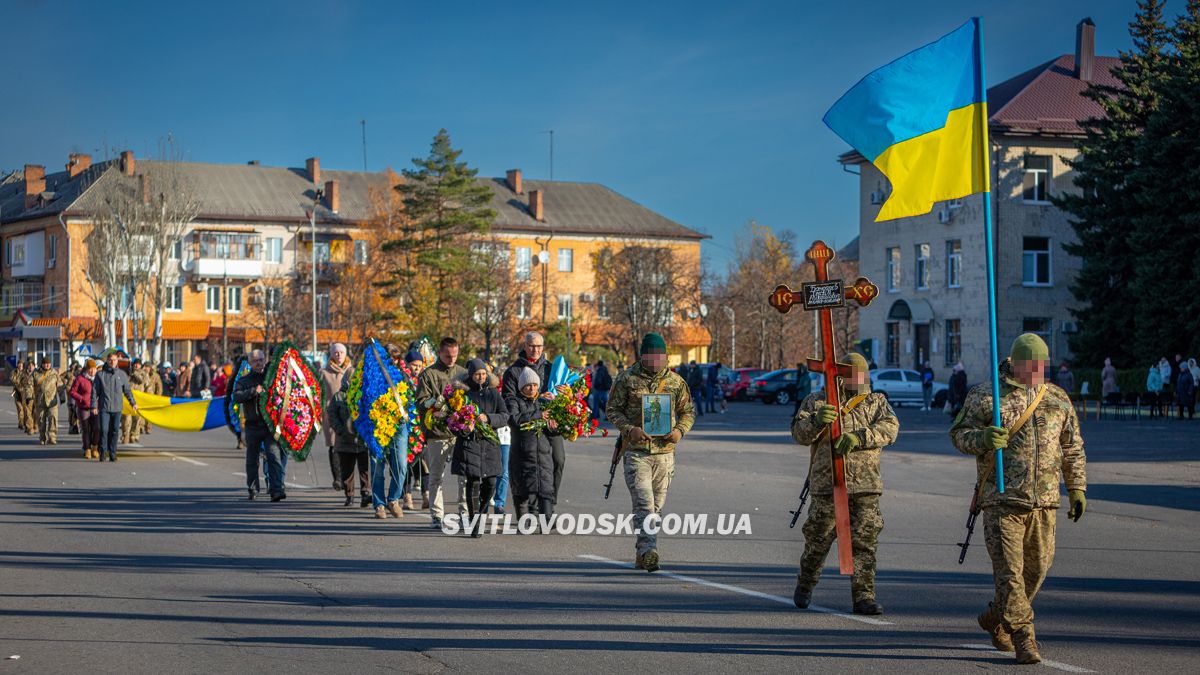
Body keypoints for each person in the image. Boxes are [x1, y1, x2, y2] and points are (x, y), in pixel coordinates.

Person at [950, 333, 1087, 665]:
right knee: (1010, 574)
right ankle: (1025, 638)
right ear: (1017, 363)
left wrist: (1077, 487)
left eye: (1043, 365)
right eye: (1033, 365)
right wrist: (982, 438)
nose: (1039, 371)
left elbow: (1072, 446)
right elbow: (958, 434)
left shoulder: (1056, 398)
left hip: (1045, 502)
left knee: (1036, 571)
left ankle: (996, 616)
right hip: (1001, 500)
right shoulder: (988, 396)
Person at [790, 352, 898, 616]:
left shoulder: (875, 402)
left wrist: (859, 437)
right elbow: (799, 433)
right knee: (818, 540)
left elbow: (891, 428)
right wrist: (817, 421)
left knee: (864, 542)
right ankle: (805, 583)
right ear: (840, 375)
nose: (859, 379)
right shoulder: (818, 401)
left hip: (865, 487)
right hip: (828, 484)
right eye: (853, 374)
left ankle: (864, 596)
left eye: (862, 374)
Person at [606, 332, 696, 572]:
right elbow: (612, 410)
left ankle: (641, 551)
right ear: (643, 355)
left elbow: (688, 411)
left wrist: (679, 431)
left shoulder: (676, 383)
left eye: (660, 356)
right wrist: (630, 429)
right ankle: (649, 552)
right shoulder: (626, 379)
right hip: (637, 453)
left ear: (666, 357)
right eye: (651, 355)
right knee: (644, 504)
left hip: (665, 454)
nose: (656, 360)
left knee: (656, 507)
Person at [501, 332, 566, 507]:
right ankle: (533, 506)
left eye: (538, 346)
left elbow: (563, 397)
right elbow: (508, 400)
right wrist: (537, 399)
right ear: (525, 346)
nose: (535, 349)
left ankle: (549, 503)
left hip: (551, 425)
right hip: (527, 427)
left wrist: (565, 393)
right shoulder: (513, 371)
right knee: (528, 467)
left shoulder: (551, 369)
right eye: (531, 346)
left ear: (543, 347)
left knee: (558, 460)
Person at [452, 359, 511, 537]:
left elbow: (505, 416)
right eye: (478, 374)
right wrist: (464, 427)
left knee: (491, 482)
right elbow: (451, 419)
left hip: (490, 444)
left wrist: (489, 418)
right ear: (470, 375)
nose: (481, 377)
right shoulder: (461, 394)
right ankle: (474, 520)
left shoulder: (493, 393)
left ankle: (482, 513)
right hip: (469, 443)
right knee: (473, 481)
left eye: (484, 374)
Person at [416, 337, 467, 529]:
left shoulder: (463, 373)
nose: (452, 359)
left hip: (459, 433)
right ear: (440, 353)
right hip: (437, 433)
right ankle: (437, 515)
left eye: (454, 355)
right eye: (448, 356)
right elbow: (421, 401)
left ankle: (465, 512)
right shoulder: (428, 374)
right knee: (436, 476)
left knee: (464, 475)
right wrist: (438, 405)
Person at [233, 349, 286, 501]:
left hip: (269, 425)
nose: (259, 363)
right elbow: (236, 397)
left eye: (261, 360)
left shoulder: (271, 378)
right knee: (252, 459)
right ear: (249, 363)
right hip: (252, 425)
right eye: (255, 360)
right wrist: (252, 391)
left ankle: (276, 489)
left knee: (273, 456)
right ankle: (253, 488)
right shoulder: (244, 380)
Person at [508, 366, 557, 523]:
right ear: (521, 387)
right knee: (521, 489)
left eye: (535, 385)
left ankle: (547, 520)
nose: (532, 388)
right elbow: (514, 420)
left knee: (545, 488)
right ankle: (524, 521)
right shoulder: (513, 401)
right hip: (522, 452)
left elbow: (551, 431)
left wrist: (553, 427)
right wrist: (538, 415)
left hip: (543, 453)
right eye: (528, 385)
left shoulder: (543, 402)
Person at [328, 377, 370, 508]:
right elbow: (332, 415)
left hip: (361, 440)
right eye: (349, 379)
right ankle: (349, 495)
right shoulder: (338, 397)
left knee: (364, 470)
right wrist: (340, 430)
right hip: (345, 441)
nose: (352, 382)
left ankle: (365, 494)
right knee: (347, 471)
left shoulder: (363, 394)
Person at [320, 343, 353, 491]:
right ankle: (338, 478)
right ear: (331, 354)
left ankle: (348, 480)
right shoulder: (324, 372)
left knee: (350, 448)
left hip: (350, 413)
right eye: (335, 352)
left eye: (341, 352)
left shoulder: (352, 371)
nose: (338, 355)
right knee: (334, 445)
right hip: (331, 414)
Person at [93, 351, 138, 462]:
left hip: (117, 408)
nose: (112, 362)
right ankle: (103, 452)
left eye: (114, 360)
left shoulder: (122, 375)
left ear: (117, 361)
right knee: (103, 430)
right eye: (110, 360)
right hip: (104, 408)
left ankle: (113, 452)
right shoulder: (100, 375)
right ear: (107, 361)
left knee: (114, 431)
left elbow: (127, 391)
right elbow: (94, 392)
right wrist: (94, 406)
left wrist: (133, 402)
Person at [402, 350, 427, 511]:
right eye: (414, 365)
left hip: (423, 427)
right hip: (406, 427)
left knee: (425, 464)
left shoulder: (424, 379)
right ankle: (407, 496)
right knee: (406, 463)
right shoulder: (401, 380)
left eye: (419, 365)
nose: (416, 368)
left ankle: (426, 495)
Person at [69, 360, 100, 459]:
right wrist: (81, 398)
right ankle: (87, 449)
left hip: (95, 408)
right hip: (83, 408)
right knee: (86, 429)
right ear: (86, 369)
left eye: (94, 369)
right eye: (90, 369)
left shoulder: (98, 379)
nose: (92, 371)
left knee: (96, 428)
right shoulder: (80, 379)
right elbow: (72, 391)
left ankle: (95, 447)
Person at [33, 357, 62, 445]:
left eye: (48, 363)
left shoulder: (54, 373)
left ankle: (52, 437)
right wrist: (29, 397)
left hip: (52, 401)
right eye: (45, 363)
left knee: (53, 418)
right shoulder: (36, 373)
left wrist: (62, 395)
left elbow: (60, 385)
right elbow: (30, 385)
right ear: (42, 364)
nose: (47, 365)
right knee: (41, 420)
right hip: (40, 401)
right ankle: (42, 437)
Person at [121, 360, 149, 445]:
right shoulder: (128, 372)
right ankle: (125, 435)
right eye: (135, 364)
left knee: (136, 419)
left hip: (138, 399)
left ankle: (133, 436)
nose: (136, 365)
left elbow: (142, 381)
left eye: (138, 364)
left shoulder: (143, 373)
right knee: (126, 418)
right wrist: (129, 374)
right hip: (128, 398)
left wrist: (134, 373)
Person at [13, 361, 36, 435]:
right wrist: (21, 390)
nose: (30, 367)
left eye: (32, 365)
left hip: (36, 397)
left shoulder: (37, 375)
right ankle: (29, 428)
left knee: (35, 413)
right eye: (29, 365)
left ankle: (33, 426)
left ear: (34, 367)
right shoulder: (23, 375)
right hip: (26, 397)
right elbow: (17, 383)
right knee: (27, 413)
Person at [591, 359, 613, 423]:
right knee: (606, 403)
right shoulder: (606, 370)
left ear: (598, 365)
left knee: (596, 403)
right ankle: (608, 416)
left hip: (599, 390)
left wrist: (596, 386)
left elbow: (598, 381)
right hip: (605, 390)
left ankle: (595, 416)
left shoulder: (600, 371)